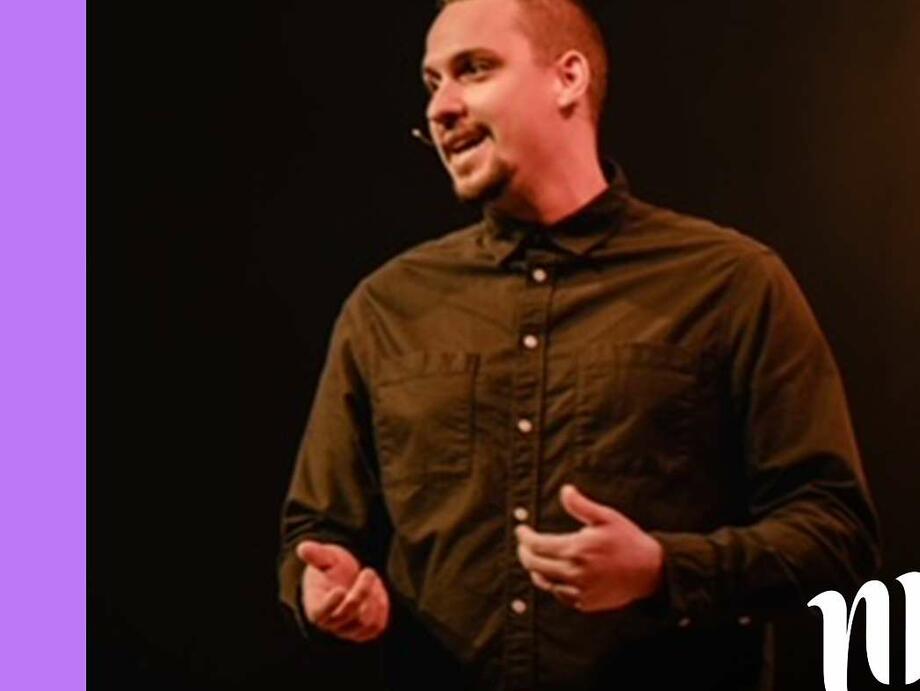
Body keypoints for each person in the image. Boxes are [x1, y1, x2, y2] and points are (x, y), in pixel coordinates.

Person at [277, 0, 880, 689]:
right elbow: (316, 530)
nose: (440, 107)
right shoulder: (386, 307)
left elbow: (837, 535)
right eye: (432, 82)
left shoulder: (731, 285)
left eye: (474, 69)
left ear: (568, 79)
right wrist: (322, 585)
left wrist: (662, 570)